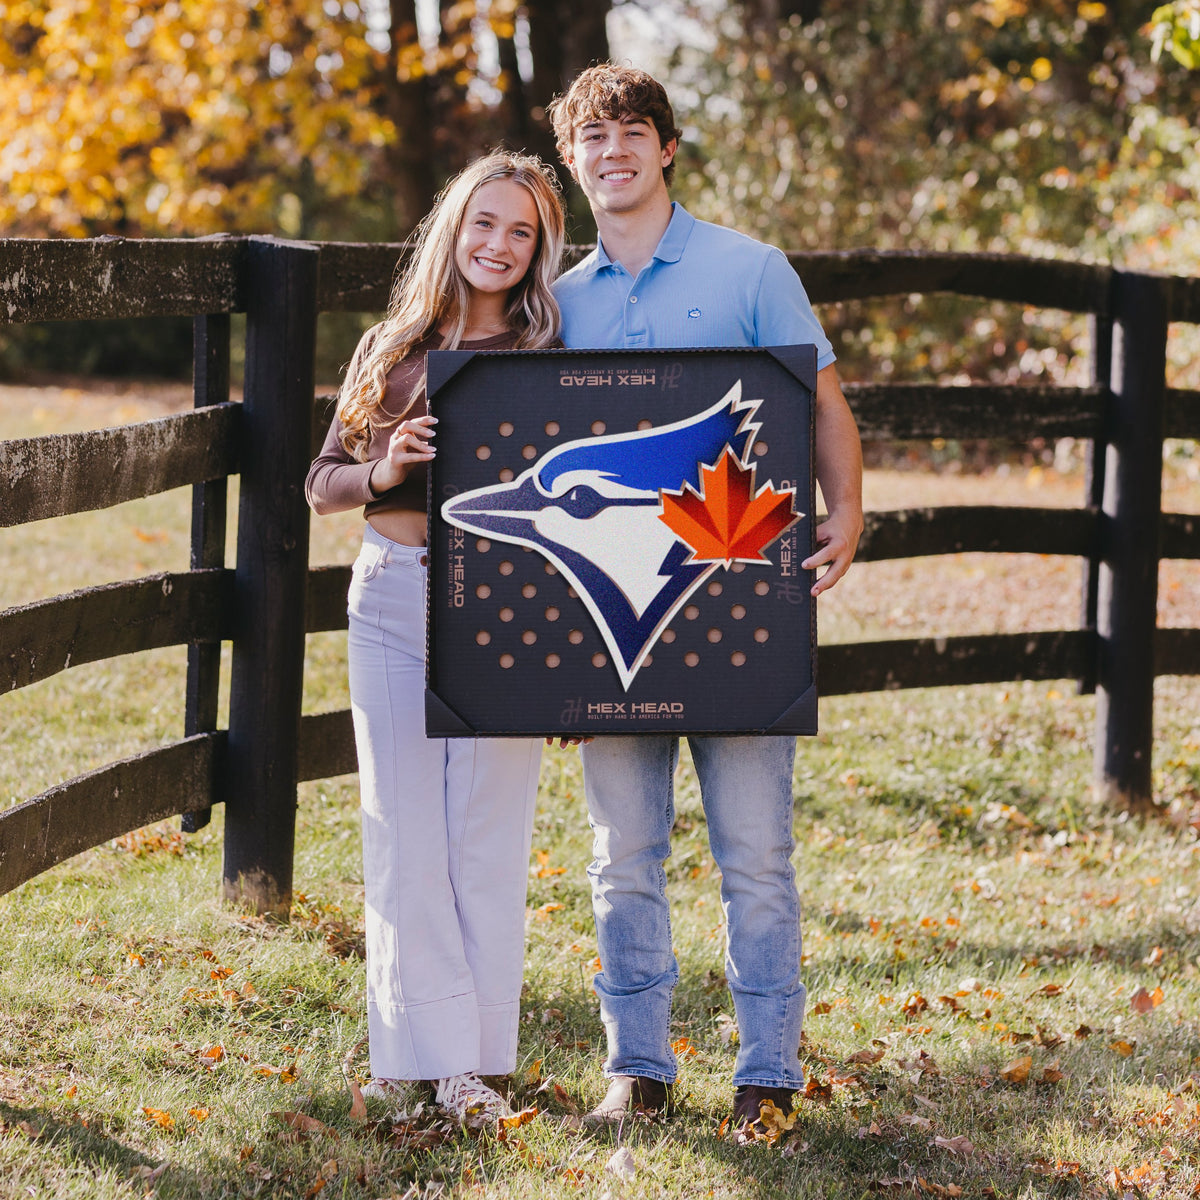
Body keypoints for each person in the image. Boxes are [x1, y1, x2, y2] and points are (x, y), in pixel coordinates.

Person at [545, 64, 864, 1137]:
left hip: (741, 612)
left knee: (756, 856)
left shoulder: (749, 269)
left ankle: (767, 1076)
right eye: (594, 138)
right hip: (614, 637)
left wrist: (848, 510)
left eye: (633, 131)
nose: (614, 152)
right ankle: (636, 1069)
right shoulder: (561, 300)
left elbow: (819, 398)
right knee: (620, 857)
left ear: (668, 147)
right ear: (573, 160)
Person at [305, 151, 565, 1126]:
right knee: (402, 834)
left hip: (501, 609)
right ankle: (409, 1058)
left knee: (484, 841)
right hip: (387, 599)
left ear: (538, 252)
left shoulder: (546, 354)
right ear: (454, 229)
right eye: (484, 223)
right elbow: (321, 481)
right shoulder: (389, 343)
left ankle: (471, 1070)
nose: (498, 245)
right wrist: (383, 468)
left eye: (521, 232)